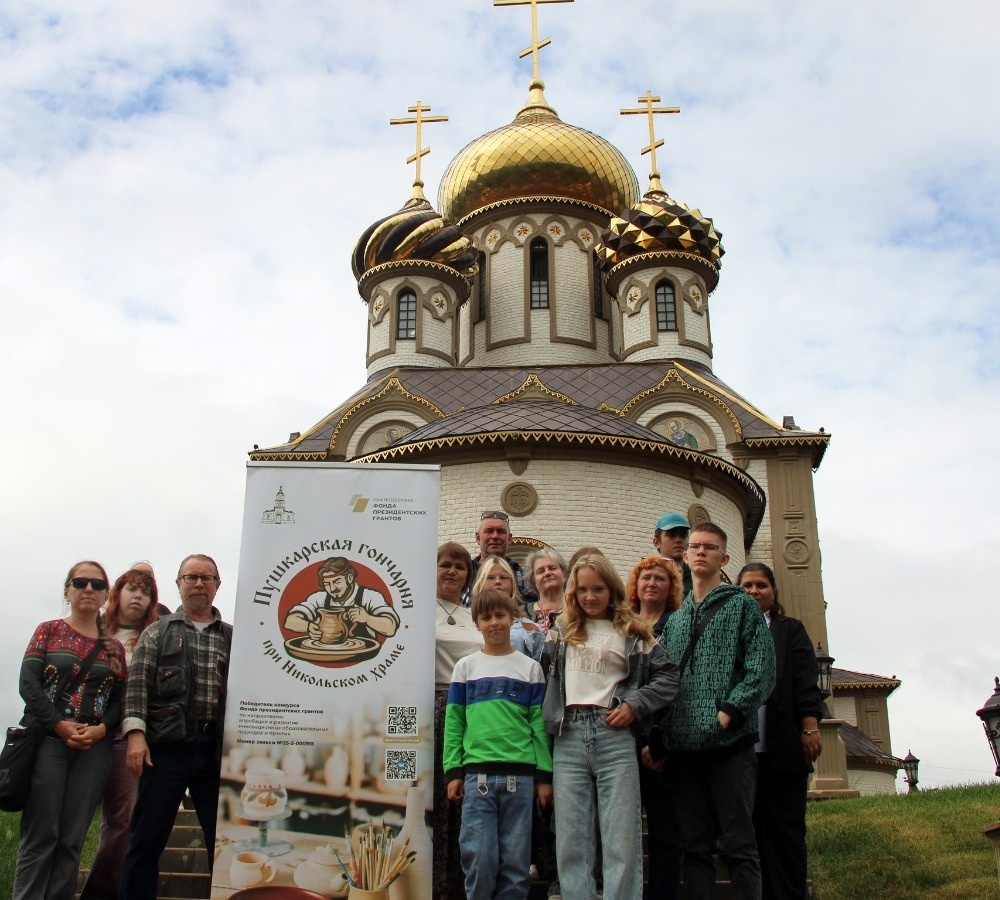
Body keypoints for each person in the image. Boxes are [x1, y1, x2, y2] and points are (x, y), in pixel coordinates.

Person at [541, 554, 679, 900]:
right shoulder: (560, 632)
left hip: (613, 733)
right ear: (573, 592)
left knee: (621, 838)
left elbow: (669, 676)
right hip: (569, 734)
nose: (590, 597)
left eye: (598, 589)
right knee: (572, 839)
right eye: (583, 590)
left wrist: (634, 704)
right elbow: (544, 681)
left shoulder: (633, 631)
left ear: (612, 589)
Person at [659, 524, 776, 900]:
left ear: (724, 558)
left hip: (730, 744)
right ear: (685, 556)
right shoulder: (676, 620)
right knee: (695, 847)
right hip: (684, 748)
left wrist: (729, 713)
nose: (700, 552)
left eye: (709, 548)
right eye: (695, 546)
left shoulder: (742, 606)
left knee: (740, 844)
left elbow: (762, 669)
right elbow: (664, 679)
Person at [120, 554, 233, 900]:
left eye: (206, 578)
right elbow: (137, 686)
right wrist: (136, 736)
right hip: (166, 748)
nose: (198, 583)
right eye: (191, 577)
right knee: (146, 840)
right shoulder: (158, 631)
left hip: (217, 753)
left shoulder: (233, 638)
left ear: (217, 585)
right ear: (179, 584)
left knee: (224, 842)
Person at [13, 561, 127, 900]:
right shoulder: (48, 631)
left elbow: (119, 700)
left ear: (106, 595)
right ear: (68, 590)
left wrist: (101, 730)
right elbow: (28, 684)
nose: (88, 589)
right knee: (41, 834)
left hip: (93, 749)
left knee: (71, 839)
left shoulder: (114, 648)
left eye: (97, 584)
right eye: (80, 583)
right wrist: (59, 726)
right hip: (49, 742)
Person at [444, 588, 553, 900]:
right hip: (476, 776)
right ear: (477, 623)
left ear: (512, 618)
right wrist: (453, 770)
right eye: (486, 617)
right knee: (479, 858)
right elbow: (455, 722)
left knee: (516, 864)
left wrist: (544, 776)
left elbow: (538, 726)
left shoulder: (530, 668)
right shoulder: (465, 668)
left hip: (521, 778)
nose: (494, 622)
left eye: (500, 615)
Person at [738, 563, 823, 900]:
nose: (754, 591)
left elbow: (806, 680)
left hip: (783, 747)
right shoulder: (729, 631)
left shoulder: (790, 630)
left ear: (773, 592)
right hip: (740, 752)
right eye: (746, 586)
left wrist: (809, 726)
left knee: (786, 832)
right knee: (749, 834)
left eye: (761, 585)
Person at [79, 567, 161, 900]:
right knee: (71, 819)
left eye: (146, 592)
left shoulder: (154, 637)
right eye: (132, 589)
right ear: (117, 593)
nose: (138, 596)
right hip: (85, 731)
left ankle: (99, 893)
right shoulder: (92, 629)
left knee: (125, 819)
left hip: (128, 735)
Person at [626, 555, 685, 900]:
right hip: (624, 737)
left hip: (661, 739)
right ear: (635, 585)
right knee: (626, 831)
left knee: (665, 831)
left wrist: (659, 741)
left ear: (671, 587)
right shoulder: (623, 625)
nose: (651, 583)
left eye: (660, 578)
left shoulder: (676, 626)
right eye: (646, 577)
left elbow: (678, 683)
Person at [434, 541, 480, 900]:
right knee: (435, 796)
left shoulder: (473, 616)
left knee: (465, 799)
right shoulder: (417, 610)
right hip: (434, 708)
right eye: (445, 564)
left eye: (460, 567)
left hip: (472, 710)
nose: (452, 571)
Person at [284, 555, 399, 639]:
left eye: (337, 582)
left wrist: (367, 618)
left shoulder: (369, 596)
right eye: (327, 584)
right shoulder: (319, 598)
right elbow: (289, 621)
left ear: (349, 578)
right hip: (328, 654)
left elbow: (391, 628)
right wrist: (308, 626)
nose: (332, 588)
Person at [471, 555, 544, 660]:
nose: (497, 581)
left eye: (503, 577)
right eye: (490, 577)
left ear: (512, 583)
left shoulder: (533, 630)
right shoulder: (465, 624)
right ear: (480, 583)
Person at [466, 510, 536, 605]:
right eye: (489, 531)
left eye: (501, 531)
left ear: (509, 539)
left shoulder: (526, 576)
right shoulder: (465, 574)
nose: (495, 536)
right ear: (478, 538)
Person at [524, 548, 568, 634]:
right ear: (533, 580)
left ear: (563, 573)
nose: (547, 573)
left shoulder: (577, 609)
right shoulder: (521, 614)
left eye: (552, 568)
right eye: (540, 571)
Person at [652, 512, 693, 596]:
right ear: (657, 542)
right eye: (671, 535)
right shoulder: (648, 577)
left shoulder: (697, 576)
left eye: (683, 535)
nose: (678, 540)